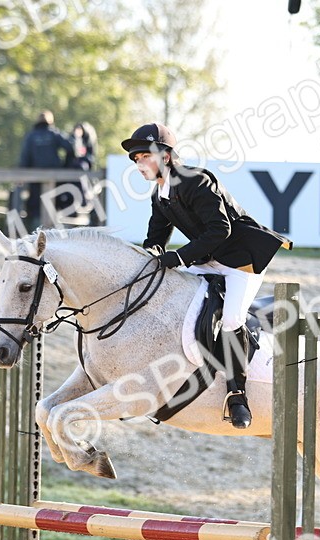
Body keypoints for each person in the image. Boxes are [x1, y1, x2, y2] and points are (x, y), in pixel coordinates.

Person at [122, 122, 292, 429]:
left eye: (144, 156)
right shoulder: (159, 195)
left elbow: (221, 229)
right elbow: (155, 239)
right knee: (166, 289)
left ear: (166, 156)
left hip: (242, 262)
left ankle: (237, 395)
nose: (138, 164)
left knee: (230, 320)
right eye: (135, 159)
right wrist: (149, 259)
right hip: (207, 259)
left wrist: (179, 257)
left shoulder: (196, 181)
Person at [16, 110, 74, 226]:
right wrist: (65, 167)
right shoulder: (54, 134)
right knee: (53, 206)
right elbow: (70, 147)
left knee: (36, 208)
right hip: (55, 178)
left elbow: (25, 157)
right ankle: (53, 234)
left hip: (35, 178)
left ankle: (36, 234)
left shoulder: (31, 136)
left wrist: (21, 175)